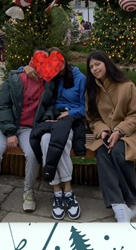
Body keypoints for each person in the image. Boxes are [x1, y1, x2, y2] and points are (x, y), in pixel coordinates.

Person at [0, 47, 58, 215]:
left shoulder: (48, 81)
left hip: (29, 129)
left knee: (33, 154)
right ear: (32, 60)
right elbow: (3, 106)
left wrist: (46, 119)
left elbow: (49, 105)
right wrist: (10, 132)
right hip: (7, 127)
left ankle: (28, 190)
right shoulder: (16, 78)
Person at [85, 50, 136, 222]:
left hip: (129, 133)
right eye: (91, 66)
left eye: (97, 64)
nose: (94, 68)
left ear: (106, 63)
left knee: (118, 152)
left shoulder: (126, 85)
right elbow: (93, 118)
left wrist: (119, 131)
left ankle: (134, 203)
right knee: (102, 152)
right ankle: (118, 205)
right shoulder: (91, 91)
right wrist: (103, 130)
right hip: (106, 134)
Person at [27, 48, 87, 220]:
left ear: (64, 60)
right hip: (53, 119)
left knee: (64, 142)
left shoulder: (79, 78)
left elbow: (85, 107)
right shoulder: (50, 78)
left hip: (72, 120)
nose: (55, 67)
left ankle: (67, 190)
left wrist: (70, 114)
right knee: (45, 139)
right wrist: (25, 68)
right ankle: (57, 192)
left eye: (57, 62)